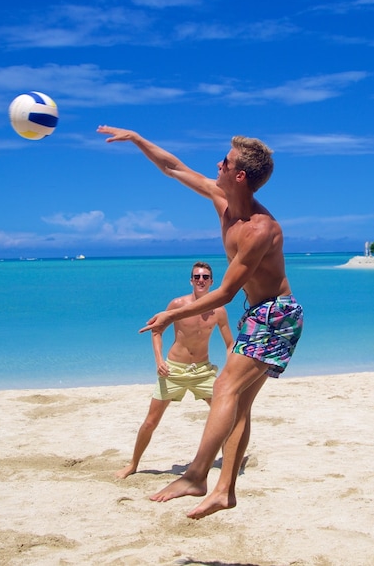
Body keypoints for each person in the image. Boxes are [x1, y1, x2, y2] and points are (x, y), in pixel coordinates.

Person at [98, 125, 304, 519]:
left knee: (225, 386)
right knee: (239, 405)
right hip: (259, 314)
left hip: (276, 316)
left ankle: (196, 476)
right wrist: (139, 138)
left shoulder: (262, 230)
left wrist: (172, 313)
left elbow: (225, 293)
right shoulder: (221, 200)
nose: (217, 165)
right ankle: (224, 491)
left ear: (239, 175)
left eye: (224, 162)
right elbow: (174, 168)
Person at [114, 261, 234, 480]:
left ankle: (228, 464)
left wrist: (230, 370)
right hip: (173, 370)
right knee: (151, 421)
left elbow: (229, 344)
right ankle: (133, 464)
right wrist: (159, 360)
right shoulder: (178, 304)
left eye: (205, 277)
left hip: (202, 372)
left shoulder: (219, 311)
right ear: (191, 280)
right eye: (197, 277)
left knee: (224, 416)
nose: (201, 280)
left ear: (212, 282)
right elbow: (157, 330)